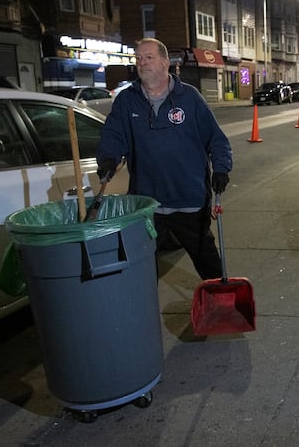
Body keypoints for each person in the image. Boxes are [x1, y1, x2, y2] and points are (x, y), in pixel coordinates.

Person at [96, 37, 232, 280]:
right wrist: (108, 158)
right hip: (147, 203)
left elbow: (216, 140)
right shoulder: (127, 101)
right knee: (143, 265)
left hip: (188, 198)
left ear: (165, 62)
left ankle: (222, 304)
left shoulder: (189, 98)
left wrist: (221, 169)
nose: (142, 63)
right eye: (138, 58)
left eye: (149, 57)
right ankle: (142, 312)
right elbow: (113, 135)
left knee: (206, 258)